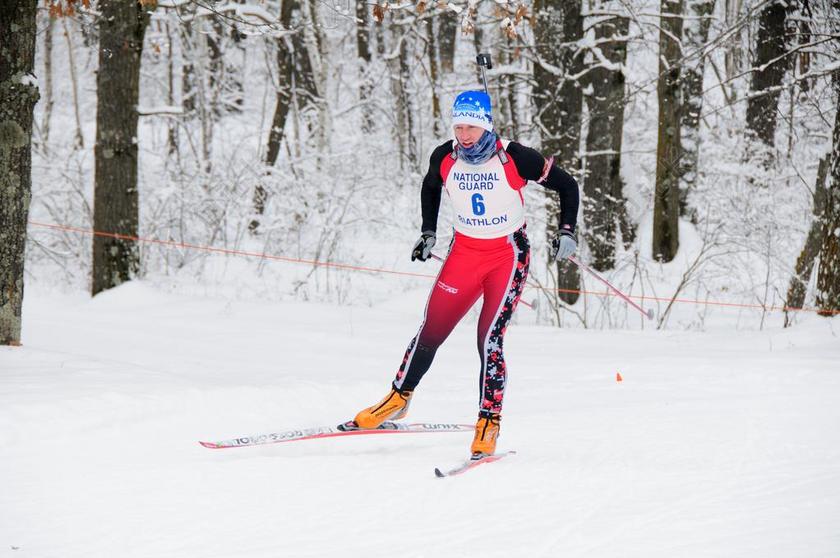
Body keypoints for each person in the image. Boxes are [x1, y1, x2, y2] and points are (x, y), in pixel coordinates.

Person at [352, 90, 580, 457]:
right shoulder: (445, 156)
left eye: (472, 126)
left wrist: (567, 230)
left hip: (507, 255)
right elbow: (430, 187)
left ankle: (488, 420)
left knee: (488, 339)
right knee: (431, 329)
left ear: (486, 123)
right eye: (459, 126)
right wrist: (428, 232)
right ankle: (398, 398)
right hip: (464, 253)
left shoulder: (515, 157)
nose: (465, 134)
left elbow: (567, 186)